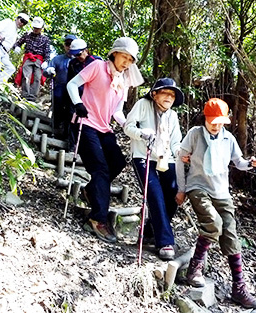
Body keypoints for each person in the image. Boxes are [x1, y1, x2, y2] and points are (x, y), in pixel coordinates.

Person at [175, 98, 256, 309]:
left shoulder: (228, 138)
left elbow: (238, 162)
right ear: (205, 118)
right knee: (213, 223)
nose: (216, 125)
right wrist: (181, 188)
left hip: (222, 192)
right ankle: (194, 268)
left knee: (231, 236)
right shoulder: (195, 134)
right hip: (198, 187)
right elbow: (180, 158)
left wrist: (251, 164)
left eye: (220, 121)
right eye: (213, 121)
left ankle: (239, 288)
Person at [66, 37, 144, 243]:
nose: (126, 62)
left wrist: (130, 127)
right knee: (100, 169)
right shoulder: (97, 67)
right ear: (114, 53)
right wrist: (77, 103)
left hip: (104, 127)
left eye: (131, 60)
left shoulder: (124, 80)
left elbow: (117, 111)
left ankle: (91, 191)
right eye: (124, 56)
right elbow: (72, 85)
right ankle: (97, 219)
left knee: (117, 162)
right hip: (85, 123)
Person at [123, 78, 184, 260]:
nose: (169, 97)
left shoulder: (172, 116)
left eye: (172, 95)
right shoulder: (143, 105)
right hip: (144, 156)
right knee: (155, 194)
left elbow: (175, 142)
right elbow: (128, 127)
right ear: (154, 94)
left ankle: (151, 230)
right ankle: (165, 241)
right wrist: (142, 134)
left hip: (166, 158)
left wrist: (181, 154)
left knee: (174, 193)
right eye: (165, 92)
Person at [66, 38, 102, 151]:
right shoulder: (73, 63)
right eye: (74, 55)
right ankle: (72, 145)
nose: (78, 57)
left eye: (79, 54)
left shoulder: (96, 61)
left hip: (91, 97)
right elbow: (70, 81)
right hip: (76, 97)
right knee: (73, 119)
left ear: (86, 50)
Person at [43, 34, 77, 137]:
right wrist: (49, 70)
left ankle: (66, 133)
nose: (69, 46)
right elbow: (46, 72)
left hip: (74, 89)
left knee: (70, 111)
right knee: (57, 101)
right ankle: (56, 126)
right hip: (60, 86)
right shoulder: (57, 59)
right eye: (67, 44)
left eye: (71, 44)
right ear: (64, 45)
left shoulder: (79, 61)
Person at [13, 17, 50, 102]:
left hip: (39, 59)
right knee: (26, 76)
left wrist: (46, 61)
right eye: (35, 28)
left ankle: (33, 97)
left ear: (41, 28)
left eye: (38, 28)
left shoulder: (45, 39)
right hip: (28, 58)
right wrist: (16, 47)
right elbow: (18, 43)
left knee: (37, 77)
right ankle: (25, 95)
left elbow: (47, 51)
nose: (36, 29)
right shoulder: (27, 35)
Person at [0, 13, 29, 83]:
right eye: (21, 21)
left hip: (4, 51)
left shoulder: (15, 32)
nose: (21, 23)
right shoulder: (8, 22)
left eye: (24, 23)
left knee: (11, 68)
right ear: (17, 18)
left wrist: (15, 48)